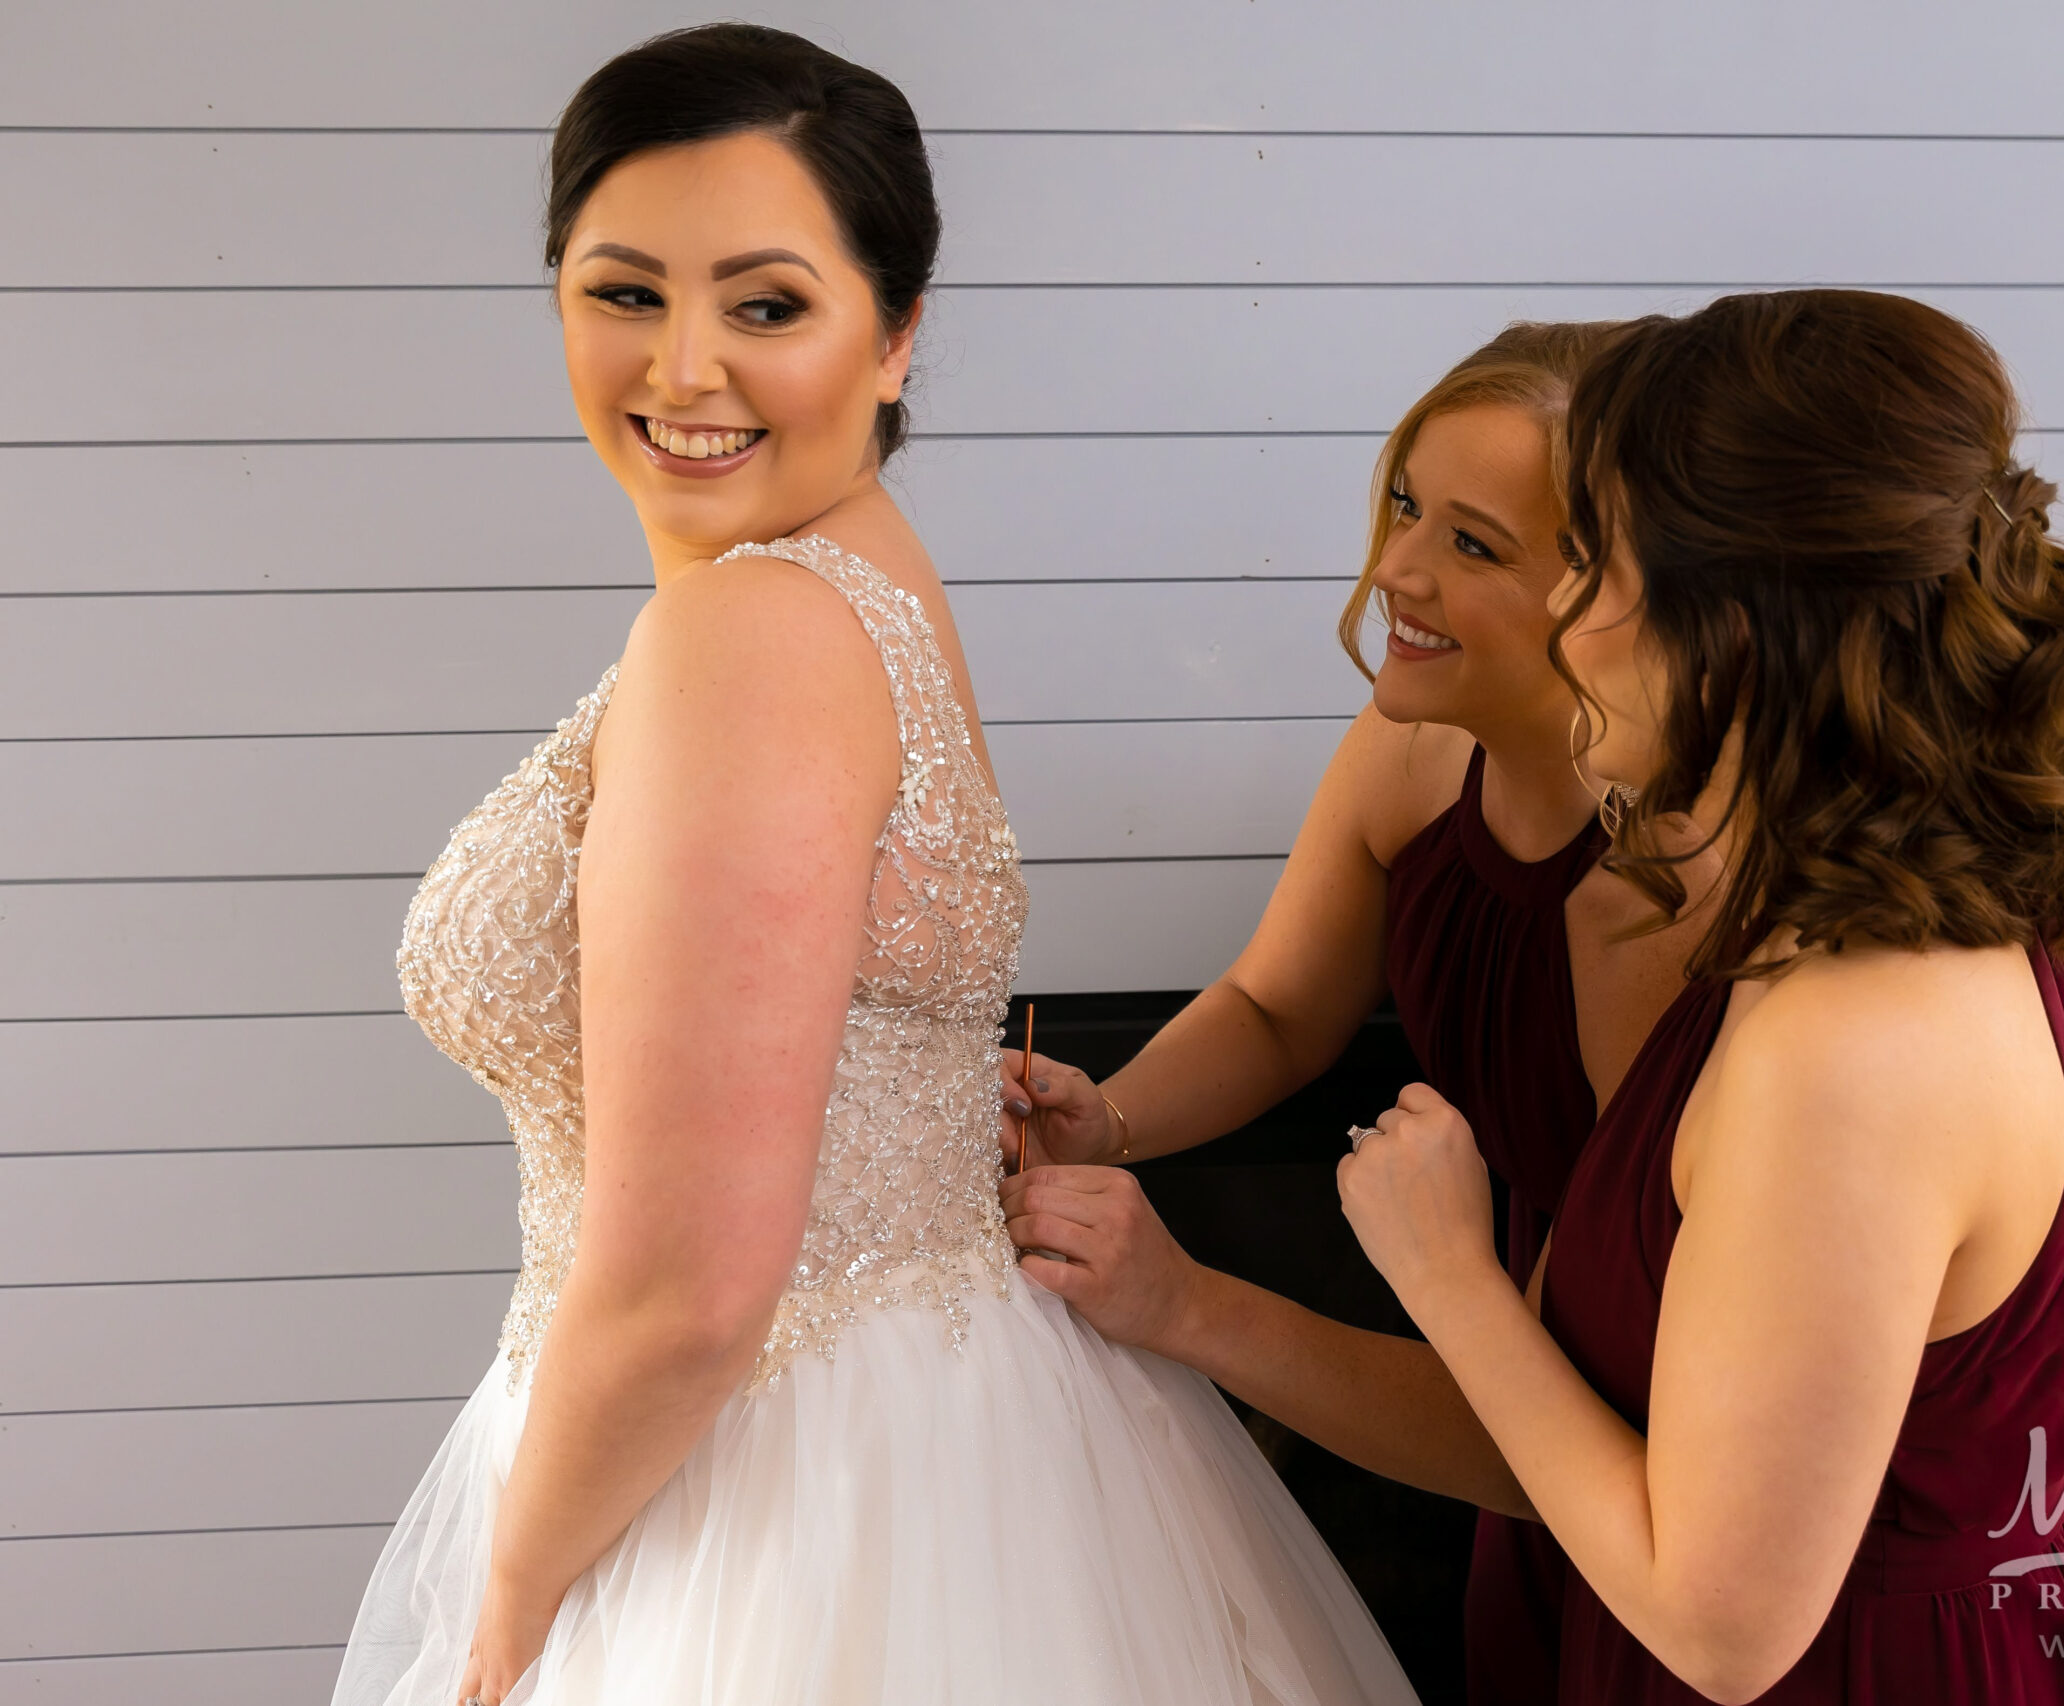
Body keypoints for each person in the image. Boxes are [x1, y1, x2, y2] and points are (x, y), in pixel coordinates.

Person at [331, 25, 1417, 1706]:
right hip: (922, 1432)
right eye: (624, 292)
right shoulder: (858, 582)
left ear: (898, 332)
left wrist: (510, 1604)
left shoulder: (755, 636)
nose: (686, 368)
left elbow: (695, 1286)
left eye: (766, 306)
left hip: (771, 1485)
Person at [1335, 290, 2064, 1703]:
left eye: (1591, 566)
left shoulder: (1854, 1039)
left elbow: (1725, 1627)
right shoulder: (1923, 897)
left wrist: (1447, 1273)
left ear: (1735, 626)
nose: (1568, 622)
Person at [996, 321, 1708, 1705]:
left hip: (1600, 1389)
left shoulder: (1677, 879)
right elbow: (1275, 1007)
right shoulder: (1408, 746)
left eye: (1474, 542)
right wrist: (1115, 1115)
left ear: (1608, 592)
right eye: (1403, 505)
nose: (1397, 570)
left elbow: (1590, 1400)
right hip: (1463, 1359)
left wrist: (1191, 1302)